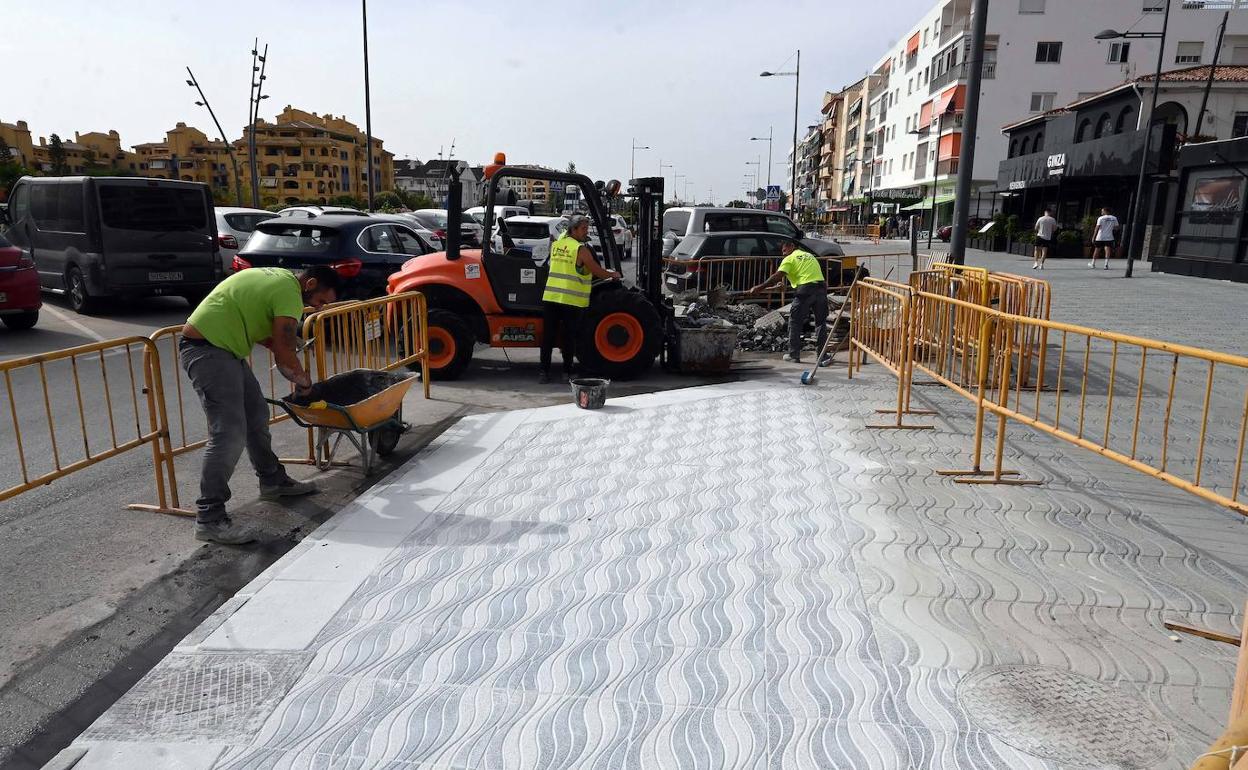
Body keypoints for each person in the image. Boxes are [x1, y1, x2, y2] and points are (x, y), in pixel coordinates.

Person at [180, 266, 340, 544]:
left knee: (256, 417)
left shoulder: (279, 280)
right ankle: (210, 517)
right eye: (320, 301)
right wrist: (304, 383)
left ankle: (273, 481)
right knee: (228, 434)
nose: (317, 307)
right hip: (208, 351)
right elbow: (284, 354)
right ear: (310, 283)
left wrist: (287, 345)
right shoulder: (289, 292)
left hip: (224, 350)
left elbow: (268, 335)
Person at [539, 214, 621, 384]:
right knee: (569, 338)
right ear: (573, 229)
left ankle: (544, 372)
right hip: (570, 300)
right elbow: (597, 271)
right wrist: (613, 274)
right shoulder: (580, 249)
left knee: (548, 337)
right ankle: (567, 372)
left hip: (551, 297)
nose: (586, 232)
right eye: (583, 228)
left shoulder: (556, 245)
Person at [749, 239, 829, 364]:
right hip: (821, 288)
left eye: (784, 250)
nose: (783, 254)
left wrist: (760, 287)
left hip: (805, 291)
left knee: (795, 322)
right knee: (821, 323)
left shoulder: (790, 259)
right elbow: (803, 273)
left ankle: (793, 354)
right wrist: (786, 286)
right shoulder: (808, 255)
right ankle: (822, 356)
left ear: (792, 247)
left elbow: (777, 276)